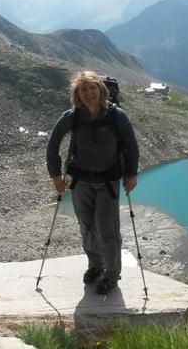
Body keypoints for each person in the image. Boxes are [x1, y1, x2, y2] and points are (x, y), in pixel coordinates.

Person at [46, 70, 139, 294]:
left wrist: (132, 174)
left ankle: (112, 274)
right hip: (80, 183)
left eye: (93, 88)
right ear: (77, 94)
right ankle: (96, 266)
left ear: (101, 90)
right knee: (87, 227)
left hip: (108, 182)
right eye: (84, 90)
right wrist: (56, 175)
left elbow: (131, 145)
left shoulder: (117, 116)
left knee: (107, 230)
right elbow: (52, 143)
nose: (89, 93)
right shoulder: (73, 116)